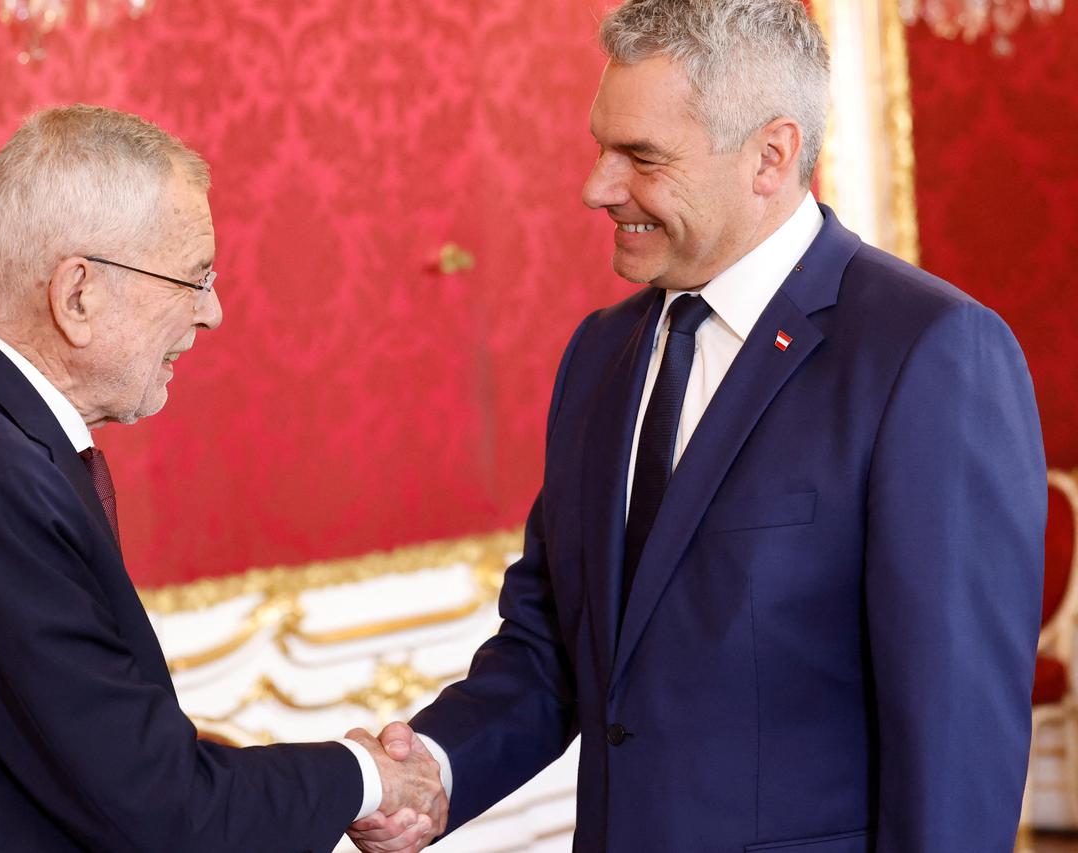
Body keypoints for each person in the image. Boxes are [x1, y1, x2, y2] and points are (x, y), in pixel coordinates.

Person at [350, 1, 1046, 851]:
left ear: (771, 156)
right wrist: (433, 769)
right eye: (602, 148)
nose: (597, 187)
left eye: (641, 157)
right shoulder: (600, 354)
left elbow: (956, 733)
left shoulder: (928, 353)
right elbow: (555, 646)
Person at [0, 104, 445, 851]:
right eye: (194, 277)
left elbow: (86, 749)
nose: (212, 312)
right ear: (78, 294)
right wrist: (366, 776)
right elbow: (160, 809)